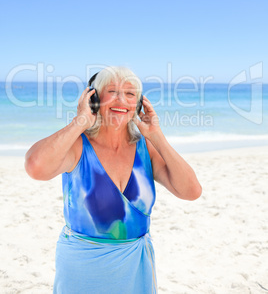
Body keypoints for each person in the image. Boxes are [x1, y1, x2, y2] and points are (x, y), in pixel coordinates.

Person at [25, 66, 202, 294]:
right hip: (83, 270)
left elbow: (191, 191)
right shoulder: (78, 146)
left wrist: (157, 136)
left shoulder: (145, 148)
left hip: (135, 270)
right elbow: (35, 167)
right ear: (94, 98)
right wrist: (80, 122)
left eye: (130, 94)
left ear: (138, 104)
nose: (122, 100)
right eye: (112, 91)